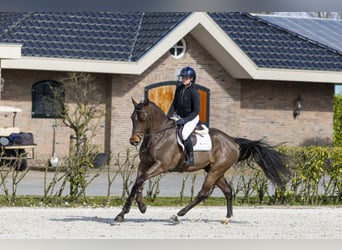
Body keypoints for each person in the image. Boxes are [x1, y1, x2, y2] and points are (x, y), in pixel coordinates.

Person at [167, 66, 200, 166]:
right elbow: (174, 104)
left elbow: (196, 110)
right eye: (183, 77)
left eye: (186, 77)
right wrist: (168, 116)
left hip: (192, 117)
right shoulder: (179, 89)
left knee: (185, 134)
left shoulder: (194, 91)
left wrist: (185, 120)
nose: (184, 79)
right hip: (180, 116)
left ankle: (191, 157)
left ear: (191, 78)